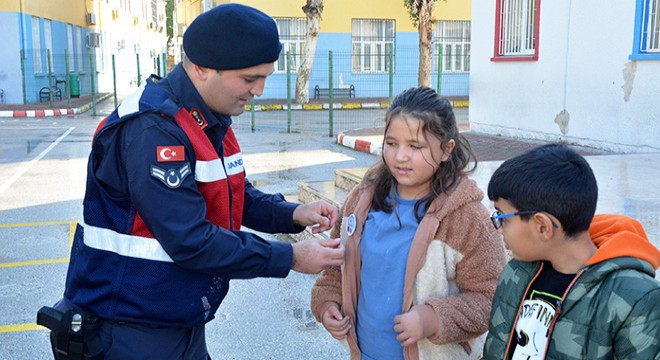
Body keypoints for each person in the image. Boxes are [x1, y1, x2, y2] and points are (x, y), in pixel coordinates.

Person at [39, 4, 345, 359]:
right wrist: (290, 256)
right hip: (126, 330)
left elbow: (232, 196)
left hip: (174, 324)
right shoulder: (153, 131)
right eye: (249, 79)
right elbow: (190, 239)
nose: (259, 90)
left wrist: (293, 214)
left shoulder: (208, 118)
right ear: (201, 69)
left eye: (265, 76)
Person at [310, 86, 507, 359]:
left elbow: (492, 298)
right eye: (391, 144)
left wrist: (433, 319)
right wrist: (327, 303)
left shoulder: (468, 219)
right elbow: (335, 269)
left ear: (446, 150)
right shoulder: (360, 201)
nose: (400, 156)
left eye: (415, 146)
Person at [482, 143, 660, 359]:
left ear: (542, 227)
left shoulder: (635, 300)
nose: (498, 229)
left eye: (501, 217)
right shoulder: (516, 274)